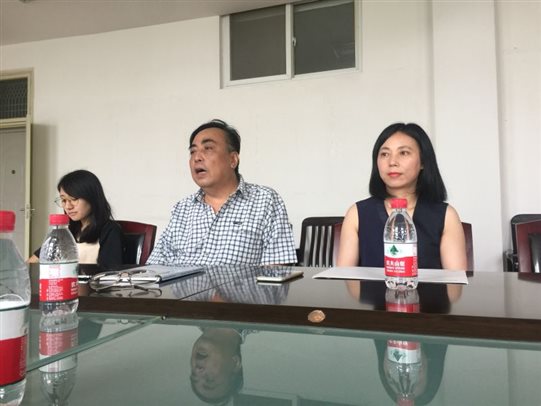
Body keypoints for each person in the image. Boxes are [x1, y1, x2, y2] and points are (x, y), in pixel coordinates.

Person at [147, 119, 297, 266]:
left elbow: (276, 272)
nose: (196, 158)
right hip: (183, 283)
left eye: (208, 148)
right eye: (192, 151)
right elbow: (154, 268)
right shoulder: (182, 209)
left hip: (241, 284)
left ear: (233, 160)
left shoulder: (265, 200)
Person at [337, 122, 467, 270]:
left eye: (404, 153)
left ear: (423, 162)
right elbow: (345, 278)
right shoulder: (357, 213)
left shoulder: (446, 215)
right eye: (385, 154)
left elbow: (454, 281)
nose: (392, 162)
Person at [28, 169, 124, 267]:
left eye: (73, 199)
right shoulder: (65, 231)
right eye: (63, 200)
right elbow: (31, 262)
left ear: (92, 198)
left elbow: (109, 272)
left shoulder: (110, 230)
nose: (68, 206)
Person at [190, 326, 246, 404]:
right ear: (234, 363)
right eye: (209, 379)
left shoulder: (184, 318)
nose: (197, 369)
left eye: (194, 374)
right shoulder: (259, 322)